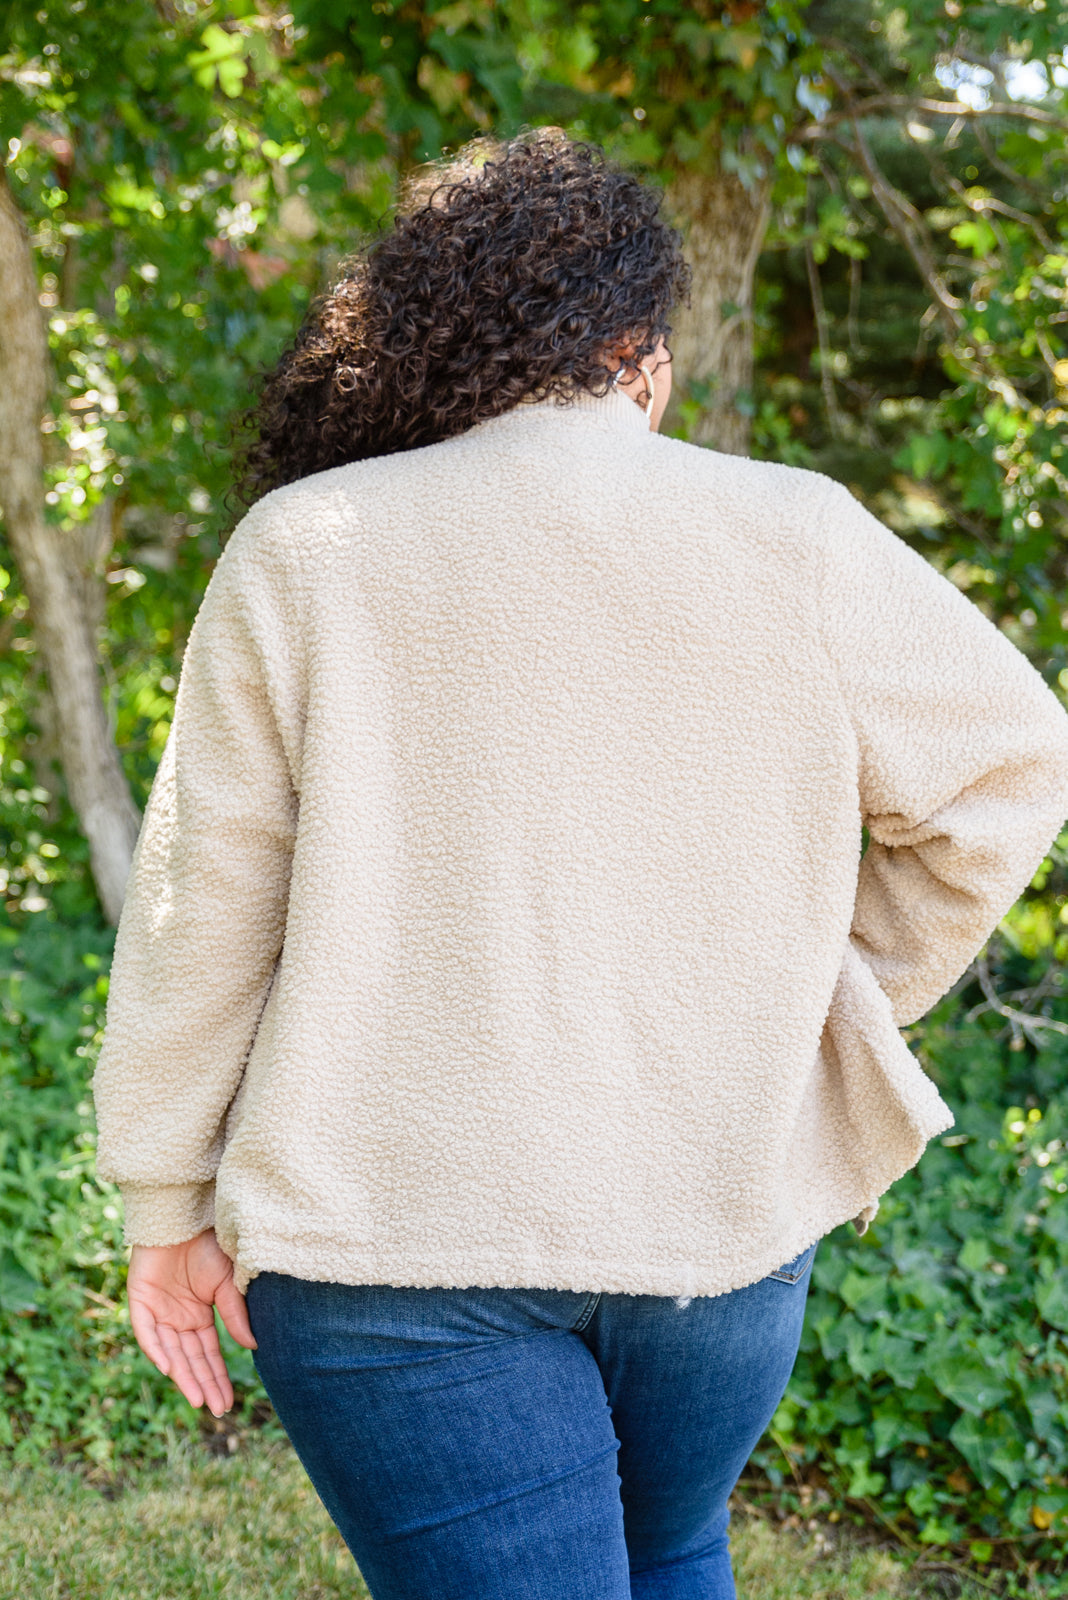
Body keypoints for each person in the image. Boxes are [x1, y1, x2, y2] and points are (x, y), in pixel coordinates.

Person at [91, 129, 1068, 1600]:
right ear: (635, 351)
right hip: (715, 1221)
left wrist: (164, 1202)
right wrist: (833, 993)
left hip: (389, 1237)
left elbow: (203, 910)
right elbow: (1011, 769)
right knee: (673, 1553)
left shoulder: (311, 544)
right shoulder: (794, 532)